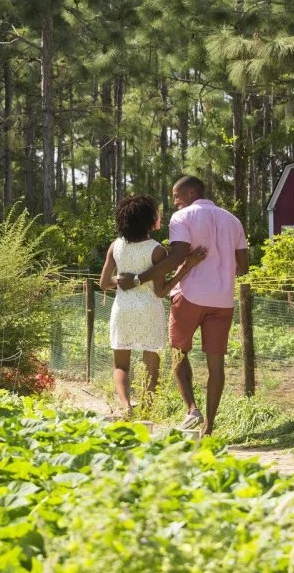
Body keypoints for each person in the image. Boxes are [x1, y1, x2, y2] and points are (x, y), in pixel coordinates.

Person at [116, 176, 248, 435]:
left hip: (189, 296)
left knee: (178, 353)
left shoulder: (183, 217)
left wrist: (138, 278)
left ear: (190, 193)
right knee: (216, 365)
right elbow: (243, 266)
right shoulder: (233, 220)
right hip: (222, 301)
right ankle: (209, 427)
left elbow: (176, 257)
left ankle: (192, 409)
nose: (174, 201)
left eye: (176, 196)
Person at [98, 195, 206, 419]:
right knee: (151, 365)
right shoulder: (157, 250)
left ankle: (126, 407)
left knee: (121, 366)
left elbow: (103, 283)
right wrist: (187, 267)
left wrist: (120, 280)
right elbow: (161, 291)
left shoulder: (115, 246)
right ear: (149, 221)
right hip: (149, 309)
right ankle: (146, 411)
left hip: (122, 309)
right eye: (156, 214)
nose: (160, 216)